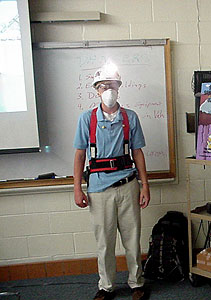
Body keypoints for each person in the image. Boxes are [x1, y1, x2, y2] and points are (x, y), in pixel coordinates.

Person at [73, 62, 150, 300]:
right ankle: (106, 286)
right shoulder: (87, 119)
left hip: (128, 185)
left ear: (119, 88)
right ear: (96, 90)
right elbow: (79, 154)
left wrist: (145, 185)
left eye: (113, 85)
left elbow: (137, 152)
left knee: (132, 239)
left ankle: (137, 283)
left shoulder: (130, 118)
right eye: (103, 86)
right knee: (105, 242)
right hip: (98, 188)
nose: (108, 89)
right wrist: (77, 188)